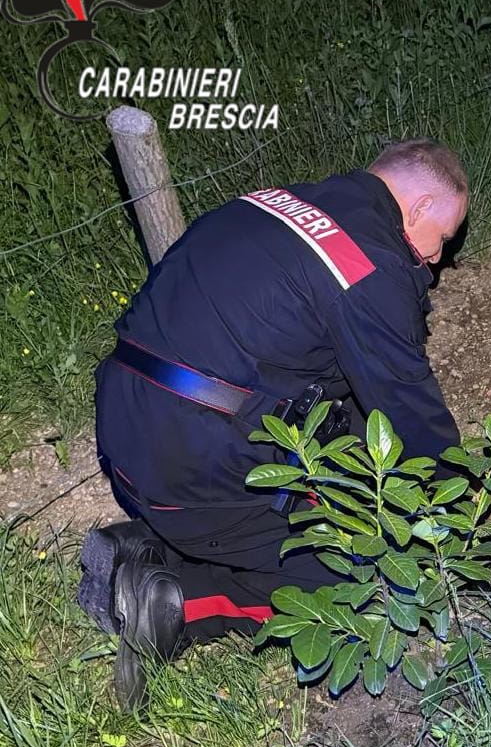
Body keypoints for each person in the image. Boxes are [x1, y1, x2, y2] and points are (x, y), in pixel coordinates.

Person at [77, 138, 468, 709]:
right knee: (362, 581)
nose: (437, 260)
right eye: (443, 239)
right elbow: (410, 411)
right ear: (419, 208)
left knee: (334, 460)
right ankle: (177, 599)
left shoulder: (271, 203)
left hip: (126, 427)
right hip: (186, 461)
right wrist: (461, 500)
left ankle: (154, 540)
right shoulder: (370, 265)